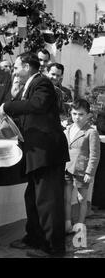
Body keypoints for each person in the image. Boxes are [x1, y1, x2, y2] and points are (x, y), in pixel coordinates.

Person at [0, 52, 70, 257]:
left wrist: (7, 107)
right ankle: (35, 238)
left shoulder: (42, 83)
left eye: (17, 67)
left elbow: (37, 105)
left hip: (47, 153)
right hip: (36, 153)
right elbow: (29, 115)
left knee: (48, 202)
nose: (15, 71)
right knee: (33, 199)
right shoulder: (29, 86)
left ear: (27, 66)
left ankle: (53, 248)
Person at [64, 99, 100, 234]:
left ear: (88, 115)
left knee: (81, 199)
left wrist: (89, 173)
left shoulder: (91, 132)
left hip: (82, 170)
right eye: (74, 114)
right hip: (67, 168)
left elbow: (95, 155)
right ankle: (67, 224)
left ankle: (80, 224)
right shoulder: (68, 129)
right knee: (66, 198)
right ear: (70, 113)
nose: (77, 117)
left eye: (81, 114)